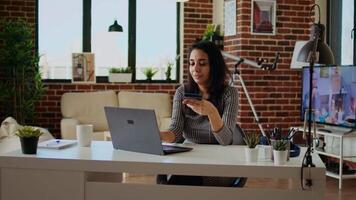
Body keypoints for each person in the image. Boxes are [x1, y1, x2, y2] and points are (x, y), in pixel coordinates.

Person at [158, 41, 245, 187]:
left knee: (178, 183)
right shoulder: (182, 92)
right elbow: (176, 131)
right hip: (191, 157)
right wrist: (157, 135)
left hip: (221, 162)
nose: (195, 69)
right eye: (192, 63)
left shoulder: (229, 94)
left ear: (214, 66)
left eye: (202, 63)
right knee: (165, 179)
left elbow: (225, 140)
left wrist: (211, 112)